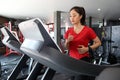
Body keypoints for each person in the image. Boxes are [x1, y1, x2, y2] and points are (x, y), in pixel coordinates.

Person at [64, 6, 101, 80]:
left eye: (74, 15)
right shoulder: (69, 31)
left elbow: (98, 42)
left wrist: (87, 49)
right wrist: (68, 41)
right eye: (70, 16)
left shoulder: (88, 30)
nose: (72, 18)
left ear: (80, 16)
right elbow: (67, 48)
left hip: (83, 60)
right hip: (71, 60)